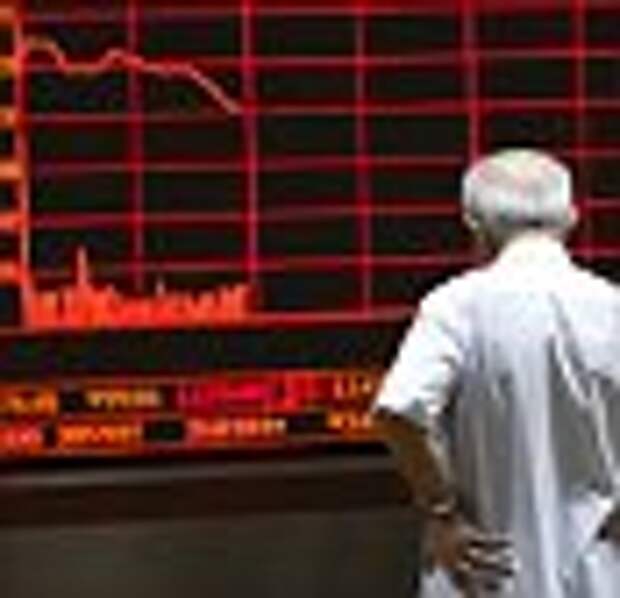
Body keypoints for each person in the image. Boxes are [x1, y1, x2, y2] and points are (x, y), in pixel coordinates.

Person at [372, 148, 620, 597]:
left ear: (474, 225)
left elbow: (398, 411)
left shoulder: (456, 307)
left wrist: (443, 513)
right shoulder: (611, 307)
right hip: (598, 575)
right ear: (571, 218)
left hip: (486, 574)